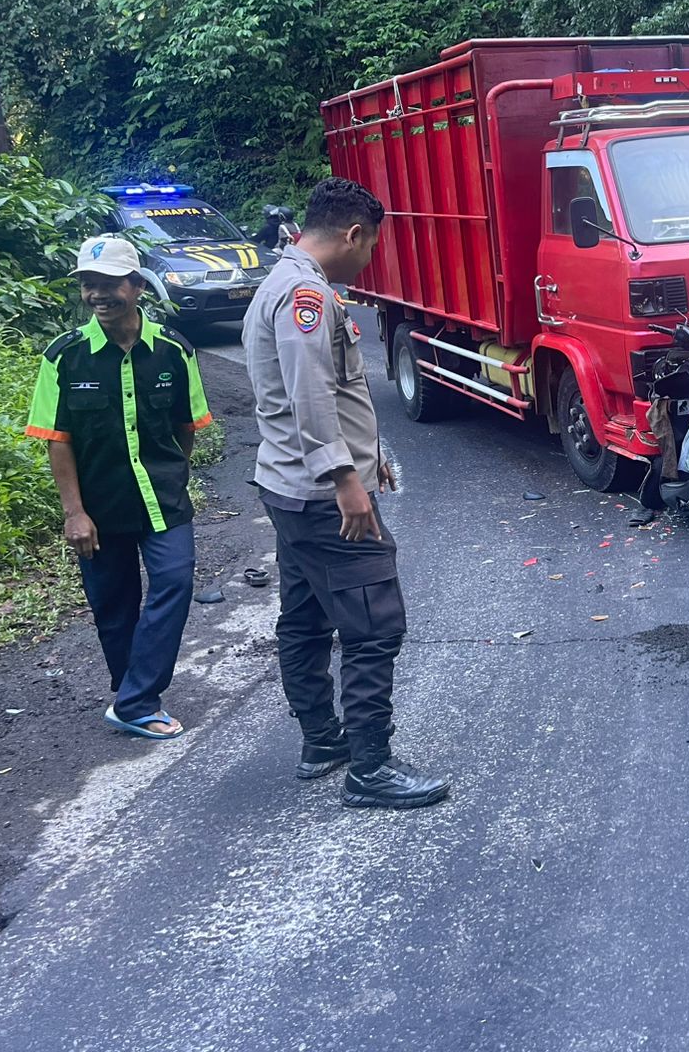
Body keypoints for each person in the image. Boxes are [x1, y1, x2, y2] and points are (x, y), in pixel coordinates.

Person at [243, 177, 448, 810]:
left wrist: (368, 459)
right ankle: (371, 766)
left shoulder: (279, 283)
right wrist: (345, 480)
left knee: (304, 619)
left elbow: (325, 392)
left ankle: (322, 741)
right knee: (373, 626)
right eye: (371, 246)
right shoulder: (306, 294)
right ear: (353, 234)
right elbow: (311, 395)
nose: (370, 259)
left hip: (287, 487)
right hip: (320, 495)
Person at [26, 236, 211, 738]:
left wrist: (172, 476)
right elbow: (57, 440)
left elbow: (186, 427)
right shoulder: (64, 357)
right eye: (89, 284)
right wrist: (74, 513)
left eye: (108, 283)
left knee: (174, 581)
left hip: (163, 500)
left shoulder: (175, 350)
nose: (97, 295)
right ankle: (137, 697)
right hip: (99, 508)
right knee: (114, 604)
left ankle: (134, 700)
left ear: (136, 286)